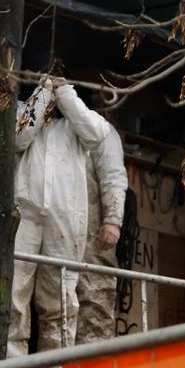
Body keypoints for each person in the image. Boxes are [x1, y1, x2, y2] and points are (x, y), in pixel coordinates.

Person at [8, 79, 127, 362]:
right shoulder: (28, 116)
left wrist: (113, 219)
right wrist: (44, 93)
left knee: (73, 305)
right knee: (17, 296)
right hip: (35, 218)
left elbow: (110, 166)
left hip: (83, 230)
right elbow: (19, 137)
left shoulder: (85, 125)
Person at [74, 122, 128, 344]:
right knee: (59, 304)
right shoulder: (52, 131)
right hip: (61, 231)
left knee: (95, 301)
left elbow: (113, 177)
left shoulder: (101, 130)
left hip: (93, 233)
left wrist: (113, 220)